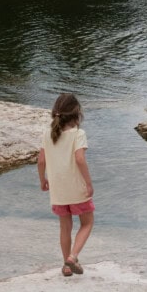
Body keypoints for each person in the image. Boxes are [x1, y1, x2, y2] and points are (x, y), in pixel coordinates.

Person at [37, 93, 94, 277]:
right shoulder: (78, 134)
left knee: (65, 227)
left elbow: (40, 161)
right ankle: (73, 257)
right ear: (77, 115)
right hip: (76, 188)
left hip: (58, 190)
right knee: (87, 223)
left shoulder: (47, 134)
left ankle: (66, 267)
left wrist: (43, 180)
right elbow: (79, 159)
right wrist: (88, 182)